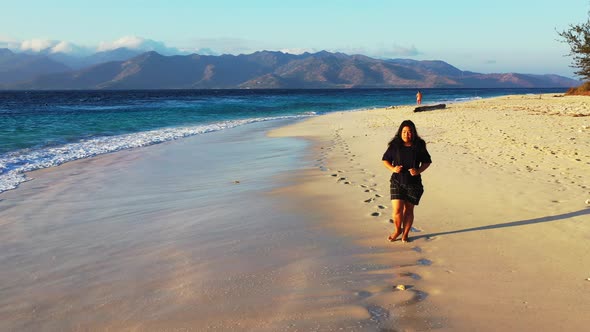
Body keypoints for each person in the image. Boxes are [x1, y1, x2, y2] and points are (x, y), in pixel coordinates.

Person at [382, 120, 431, 243]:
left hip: (414, 183)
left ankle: (405, 234)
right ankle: (397, 230)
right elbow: (385, 160)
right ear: (400, 132)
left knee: (409, 210)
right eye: (404, 132)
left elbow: (427, 161)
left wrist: (418, 170)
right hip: (397, 182)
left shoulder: (419, 145)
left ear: (413, 133)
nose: (406, 134)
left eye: (409, 132)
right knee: (397, 210)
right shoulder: (394, 145)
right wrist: (393, 168)